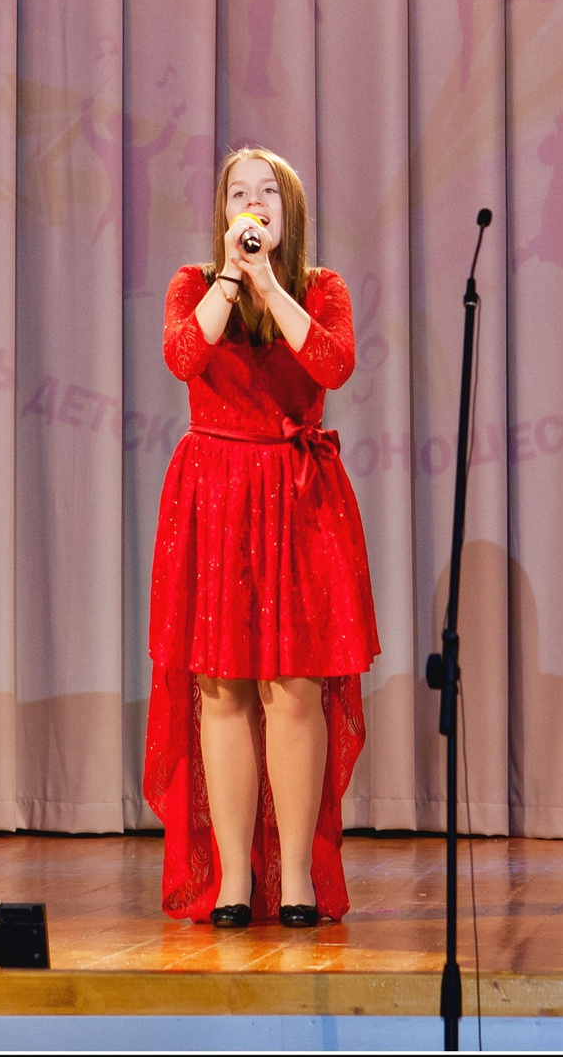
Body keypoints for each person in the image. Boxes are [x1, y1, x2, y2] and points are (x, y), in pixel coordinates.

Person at [143, 147, 378, 928]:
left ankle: (300, 884)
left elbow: (333, 364)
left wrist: (271, 283)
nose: (251, 204)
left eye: (266, 194)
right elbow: (184, 354)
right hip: (216, 496)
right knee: (223, 688)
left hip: (298, 501)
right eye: (237, 194)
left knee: (295, 690)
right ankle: (235, 881)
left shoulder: (321, 289)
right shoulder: (194, 285)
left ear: (290, 213)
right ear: (221, 213)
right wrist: (232, 279)